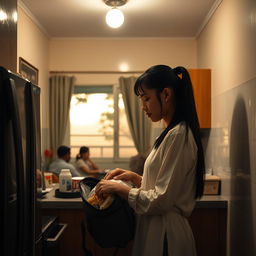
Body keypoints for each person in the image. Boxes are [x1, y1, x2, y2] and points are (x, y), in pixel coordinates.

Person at [95, 65, 205, 256]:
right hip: (157, 230)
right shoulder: (169, 133)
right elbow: (163, 186)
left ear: (166, 94)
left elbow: (161, 200)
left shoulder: (178, 135)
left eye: (146, 98)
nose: (143, 107)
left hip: (166, 236)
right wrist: (136, 178)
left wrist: (122, 189)